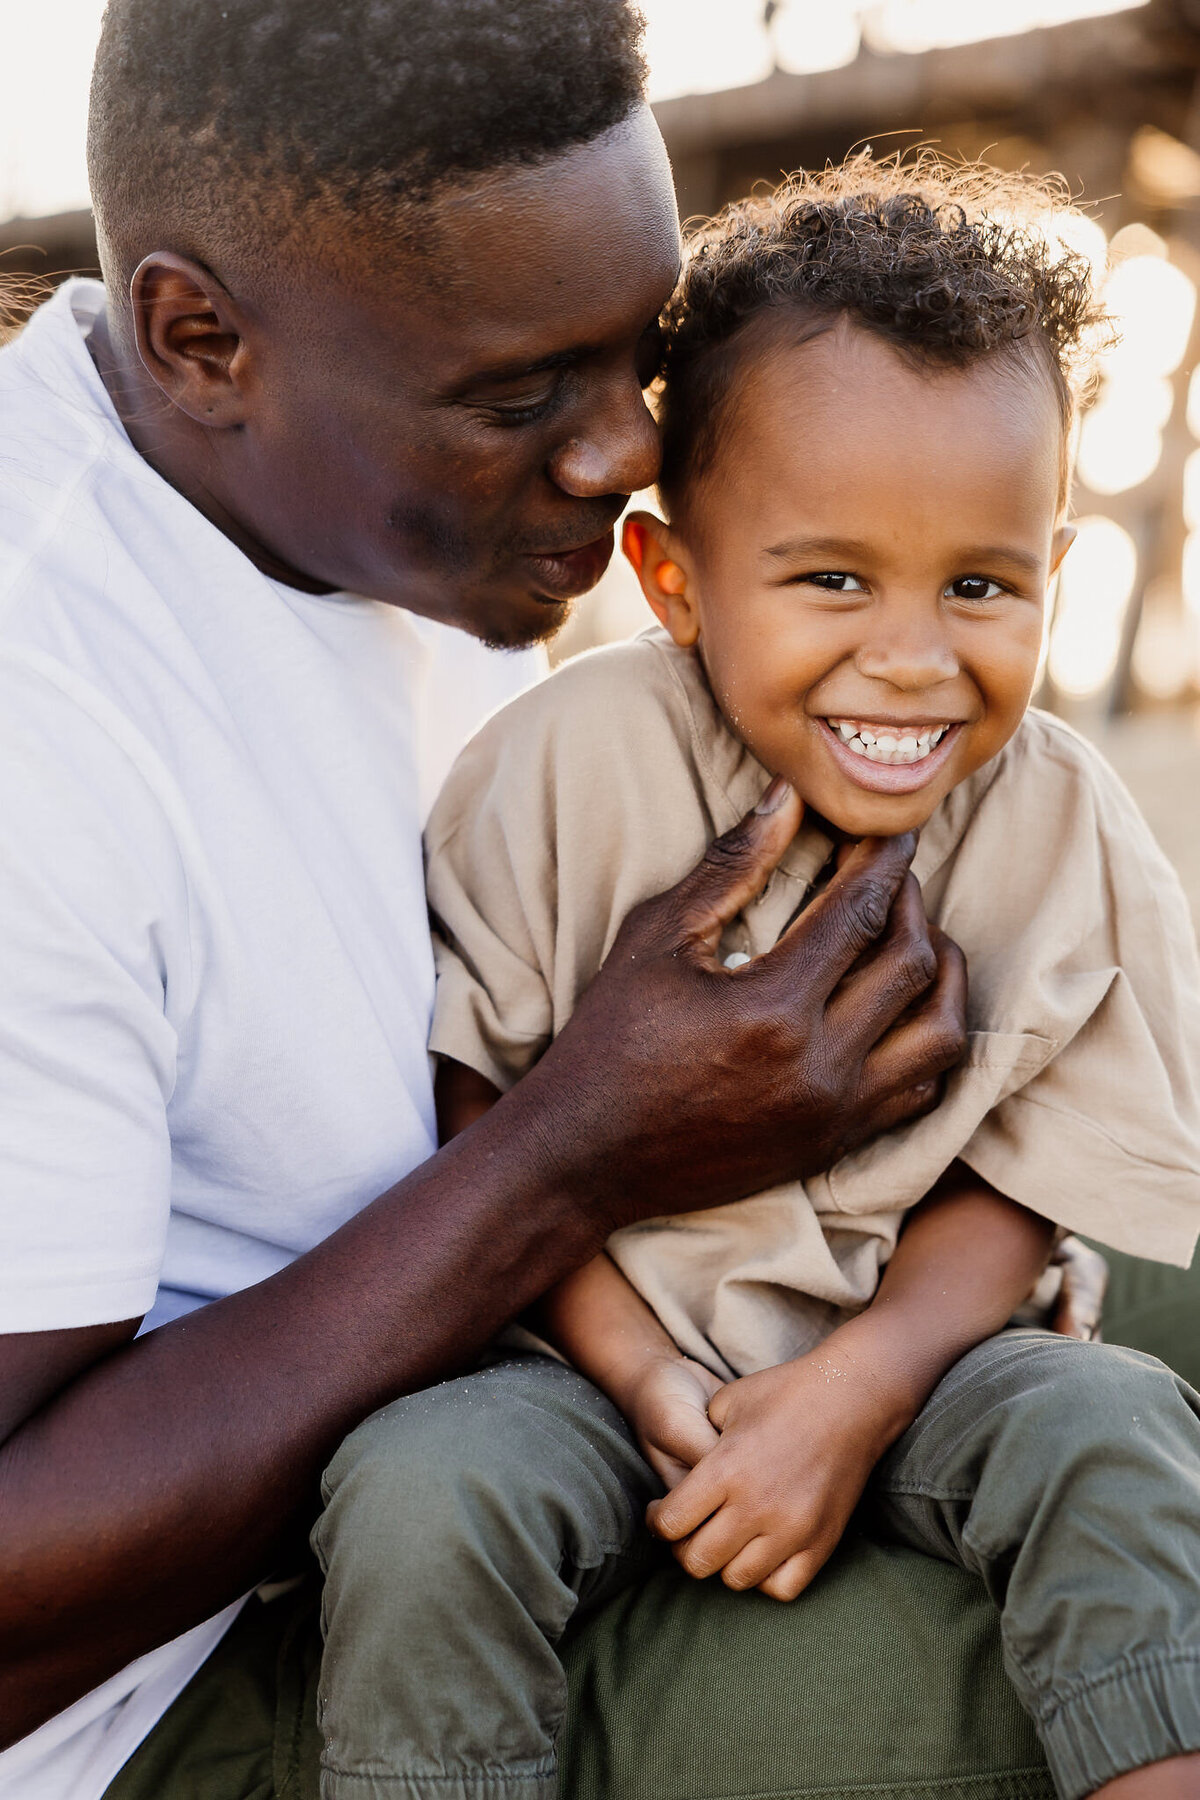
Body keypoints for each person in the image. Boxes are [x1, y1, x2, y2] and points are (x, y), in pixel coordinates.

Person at [0, 5, 972, 1798]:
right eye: (521, 397)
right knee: (1048, 1671)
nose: (619, 457)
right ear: (200, 337)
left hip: (514, 1414)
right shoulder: (39, 729)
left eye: (640, 362)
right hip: (181, 1694)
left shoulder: (340, 521)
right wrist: (575, 1155)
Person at [369, 158, 1200, 1800]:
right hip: (579, 1360)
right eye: (832, 579)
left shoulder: (1054, 815)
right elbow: (475, 1106)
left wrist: (856, 1392)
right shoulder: (559, 769)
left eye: (983, 582)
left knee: (1115, 1435)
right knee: (416, 1494)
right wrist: (639, 1372)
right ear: (673, 576)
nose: (912, 656)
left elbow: (1033, 1177)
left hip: (927, 1356)